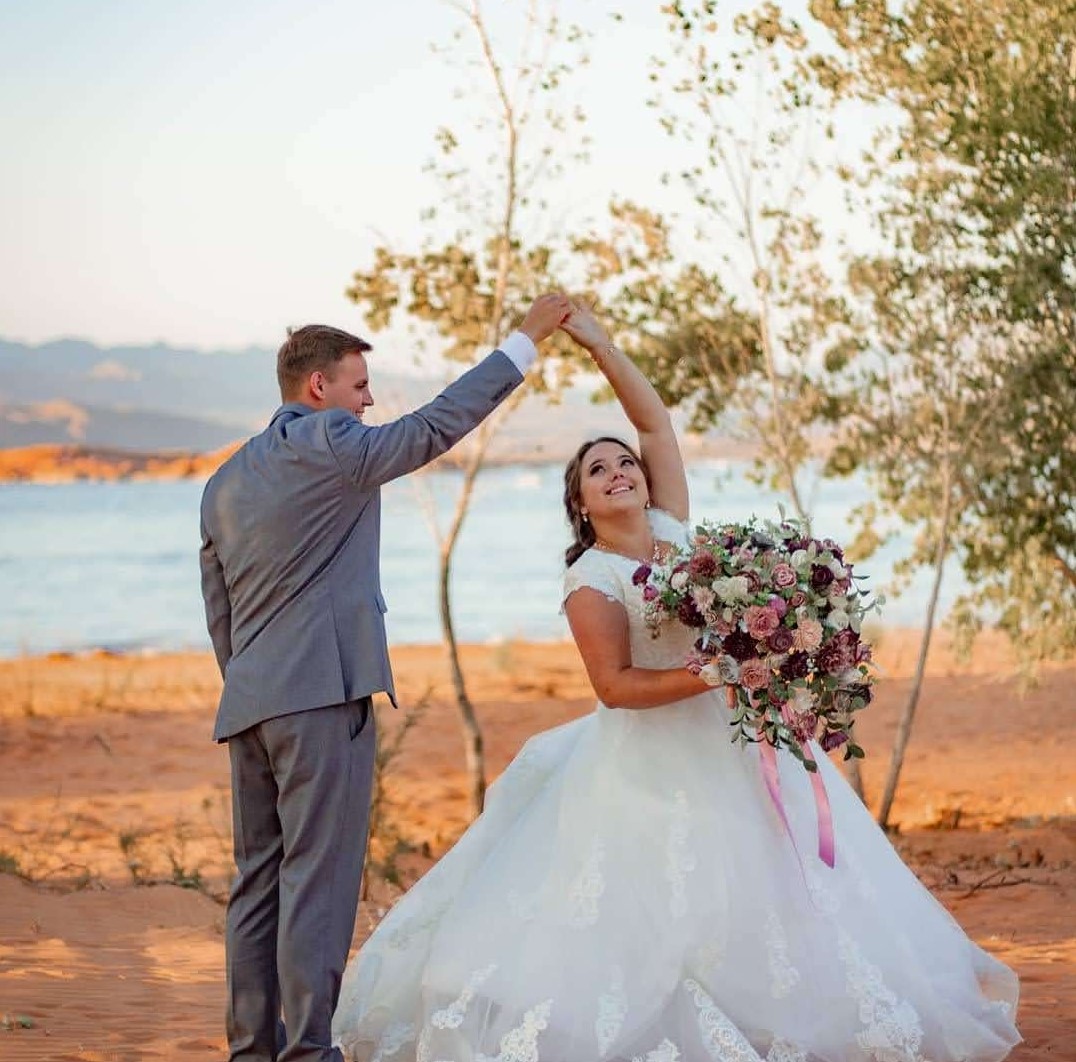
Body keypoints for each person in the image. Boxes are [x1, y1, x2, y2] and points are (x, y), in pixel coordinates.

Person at [331, 304, 1021, 1062]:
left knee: (780, 896)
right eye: (599, 469)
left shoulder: (676, 531)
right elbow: (615, 687)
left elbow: (657, 427)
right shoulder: (591, 580)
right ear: (582, 505)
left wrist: (600, 345)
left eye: (622, 462)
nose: (621, 470)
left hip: (734, 741)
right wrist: (714, 671)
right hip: (647, 760)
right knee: (664, 909)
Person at [198, 293, 572, 1062]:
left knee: (257, 883)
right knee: (319, 882)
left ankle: (249, 1052)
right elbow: (436, 425)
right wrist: (524, 344)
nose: (370, 400)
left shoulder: (223, 483)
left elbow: (220, 613)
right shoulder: (334, 442)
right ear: (318, 391)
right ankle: (307, 1051)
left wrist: (251, 687)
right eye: (360, 384)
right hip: (319, 702)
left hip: (251, 704)